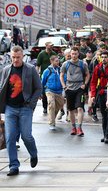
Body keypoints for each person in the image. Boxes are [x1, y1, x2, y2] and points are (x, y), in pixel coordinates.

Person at [0, 45, 42, 176]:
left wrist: (31, 103)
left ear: (22, 56)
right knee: (10, 137)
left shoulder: (30, 69)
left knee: (26, 136)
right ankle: (14, 166)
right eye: (13, 57)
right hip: (10, 109)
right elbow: (1, 89)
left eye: (18, 57)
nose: (15, 60)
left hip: (25, 108)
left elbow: (38, 88)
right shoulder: (6, 69)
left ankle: (33, 154)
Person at [60, 47, 90, 136]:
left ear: (78, 54)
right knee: (71, 109)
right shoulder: (66, 64)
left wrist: (85, 84)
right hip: (69, 88)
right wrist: (64, 86)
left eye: (75, 54)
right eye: (72, 54)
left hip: (79, 88)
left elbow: (88, 74)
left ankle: (79, 127)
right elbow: (61, 75)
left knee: (80, 108)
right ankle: (73, 127)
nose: (73, 55)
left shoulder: (83, 64)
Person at [90, 51, 108, 143]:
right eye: (102, 57)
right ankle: (105, 135)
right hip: (101, 93)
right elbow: (93, 82)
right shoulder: (98, 68)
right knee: (104, 115)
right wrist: (92, 95)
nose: (103, 59)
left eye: (105, 57)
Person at [41, 55, 64, 130]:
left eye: (58, 61)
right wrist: (41, 92)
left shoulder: (60, 70)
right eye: (56, 61)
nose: (58, 62)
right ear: (51, 61)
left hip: (59, 91)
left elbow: (64, 78)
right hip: (49, 90)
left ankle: (52, 118)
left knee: (59, 105)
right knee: (51, 104)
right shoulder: (47, 71)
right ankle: (52, 123)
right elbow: (43, 81)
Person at [36, 41, 57, 114]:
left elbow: (57, 63)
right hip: (44, 75)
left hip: (52, 75)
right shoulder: (41, 54)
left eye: (52, 45)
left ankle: (51, 105)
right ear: (46, 46)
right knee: (44, 92)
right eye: (50, 45)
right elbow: (38, 65)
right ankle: (45, 107)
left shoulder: (54, 54)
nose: (51, 47)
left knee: (51, 91)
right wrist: (37, 74)